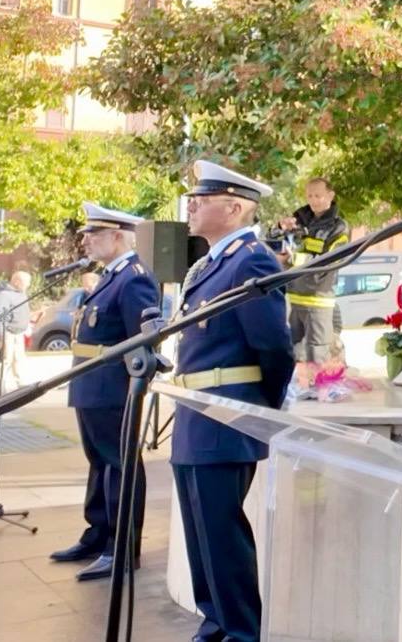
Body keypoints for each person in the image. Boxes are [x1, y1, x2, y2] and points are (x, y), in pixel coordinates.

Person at [171, 160, 295, 642]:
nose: (192, 204)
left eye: (202, 197)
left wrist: (257, 410)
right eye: (192, 197)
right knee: (203, 538)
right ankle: (215, 626)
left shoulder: (251, 260)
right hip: (195, 416)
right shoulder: (213, 263)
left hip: (225, 418)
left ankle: (240, 634)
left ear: (236, 206)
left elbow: (274, 348)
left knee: (223, 538)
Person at [49, 204, 159, 581]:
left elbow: (142, 343)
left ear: (117, 236)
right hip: (91, 385)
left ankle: (122, 548)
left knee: (120, 465)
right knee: (100, 464)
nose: (85, 240)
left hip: (113, 389)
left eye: (93, 234)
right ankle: (98, 534)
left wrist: (133, 390)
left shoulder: (134, 279)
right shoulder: (111, 277)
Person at [277, 177, 350, 365]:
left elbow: (328, 263)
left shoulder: (339, 228)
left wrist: (292, 259)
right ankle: (299, 390)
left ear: (330, 195)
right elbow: (274, 244)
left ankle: (318, 392)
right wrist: (280, 228)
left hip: (318, 301)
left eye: (318, 195)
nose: (313, 200)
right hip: (293, 298)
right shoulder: (299, 221)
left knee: (317, 354)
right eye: (310, 195)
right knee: (292, 353)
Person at [0, 270, 32, 394]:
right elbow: (1, 314)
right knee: (6, 359)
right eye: (26, 283)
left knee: (18, 358)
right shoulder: (4, 294)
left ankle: (20, 383)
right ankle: (0, 385)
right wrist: (1, 334)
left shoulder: (22, 294)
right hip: (7, 332)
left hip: (19, 332)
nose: (28, 285)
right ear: (16, 281)